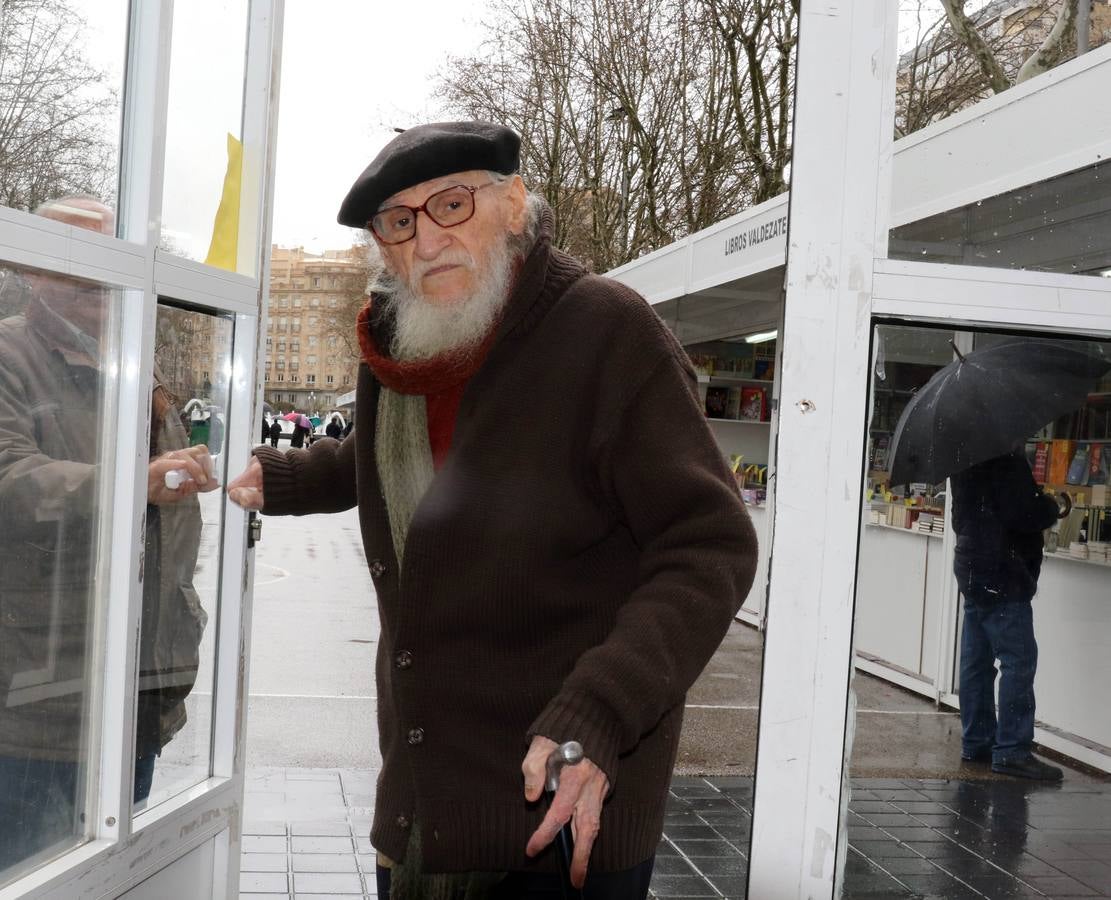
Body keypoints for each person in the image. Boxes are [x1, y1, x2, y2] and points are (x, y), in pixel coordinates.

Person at [228, 121, 756, 899]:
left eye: (451, 204)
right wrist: (277, 477)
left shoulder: (606, 330)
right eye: (399, 222)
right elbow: (396, 462)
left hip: (561, 796)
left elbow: (708, 546)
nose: (426, 240)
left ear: (513, 205)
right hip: (424, 795)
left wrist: (599, 711)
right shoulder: (402, 347)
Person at [0, 197, 214, 869]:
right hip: (42, 698)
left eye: (106, 259)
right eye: (74, 262)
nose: (94, 281)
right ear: (35, 270)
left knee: (120, 875)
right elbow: (12, 479)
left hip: (139, 685)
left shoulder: (131, 364)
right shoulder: (8, 353)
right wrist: (137, 479)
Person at [950, 449, 1068, 781]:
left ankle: (977, 742)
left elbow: (961, 518)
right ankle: (1013, 750)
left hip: (973, 566)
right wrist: (1048, 505)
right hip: (1003, 569)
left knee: (976, 661)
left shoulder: (962, 457)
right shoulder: (1004, 456)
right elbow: (1023, 514)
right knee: (1019, 660)